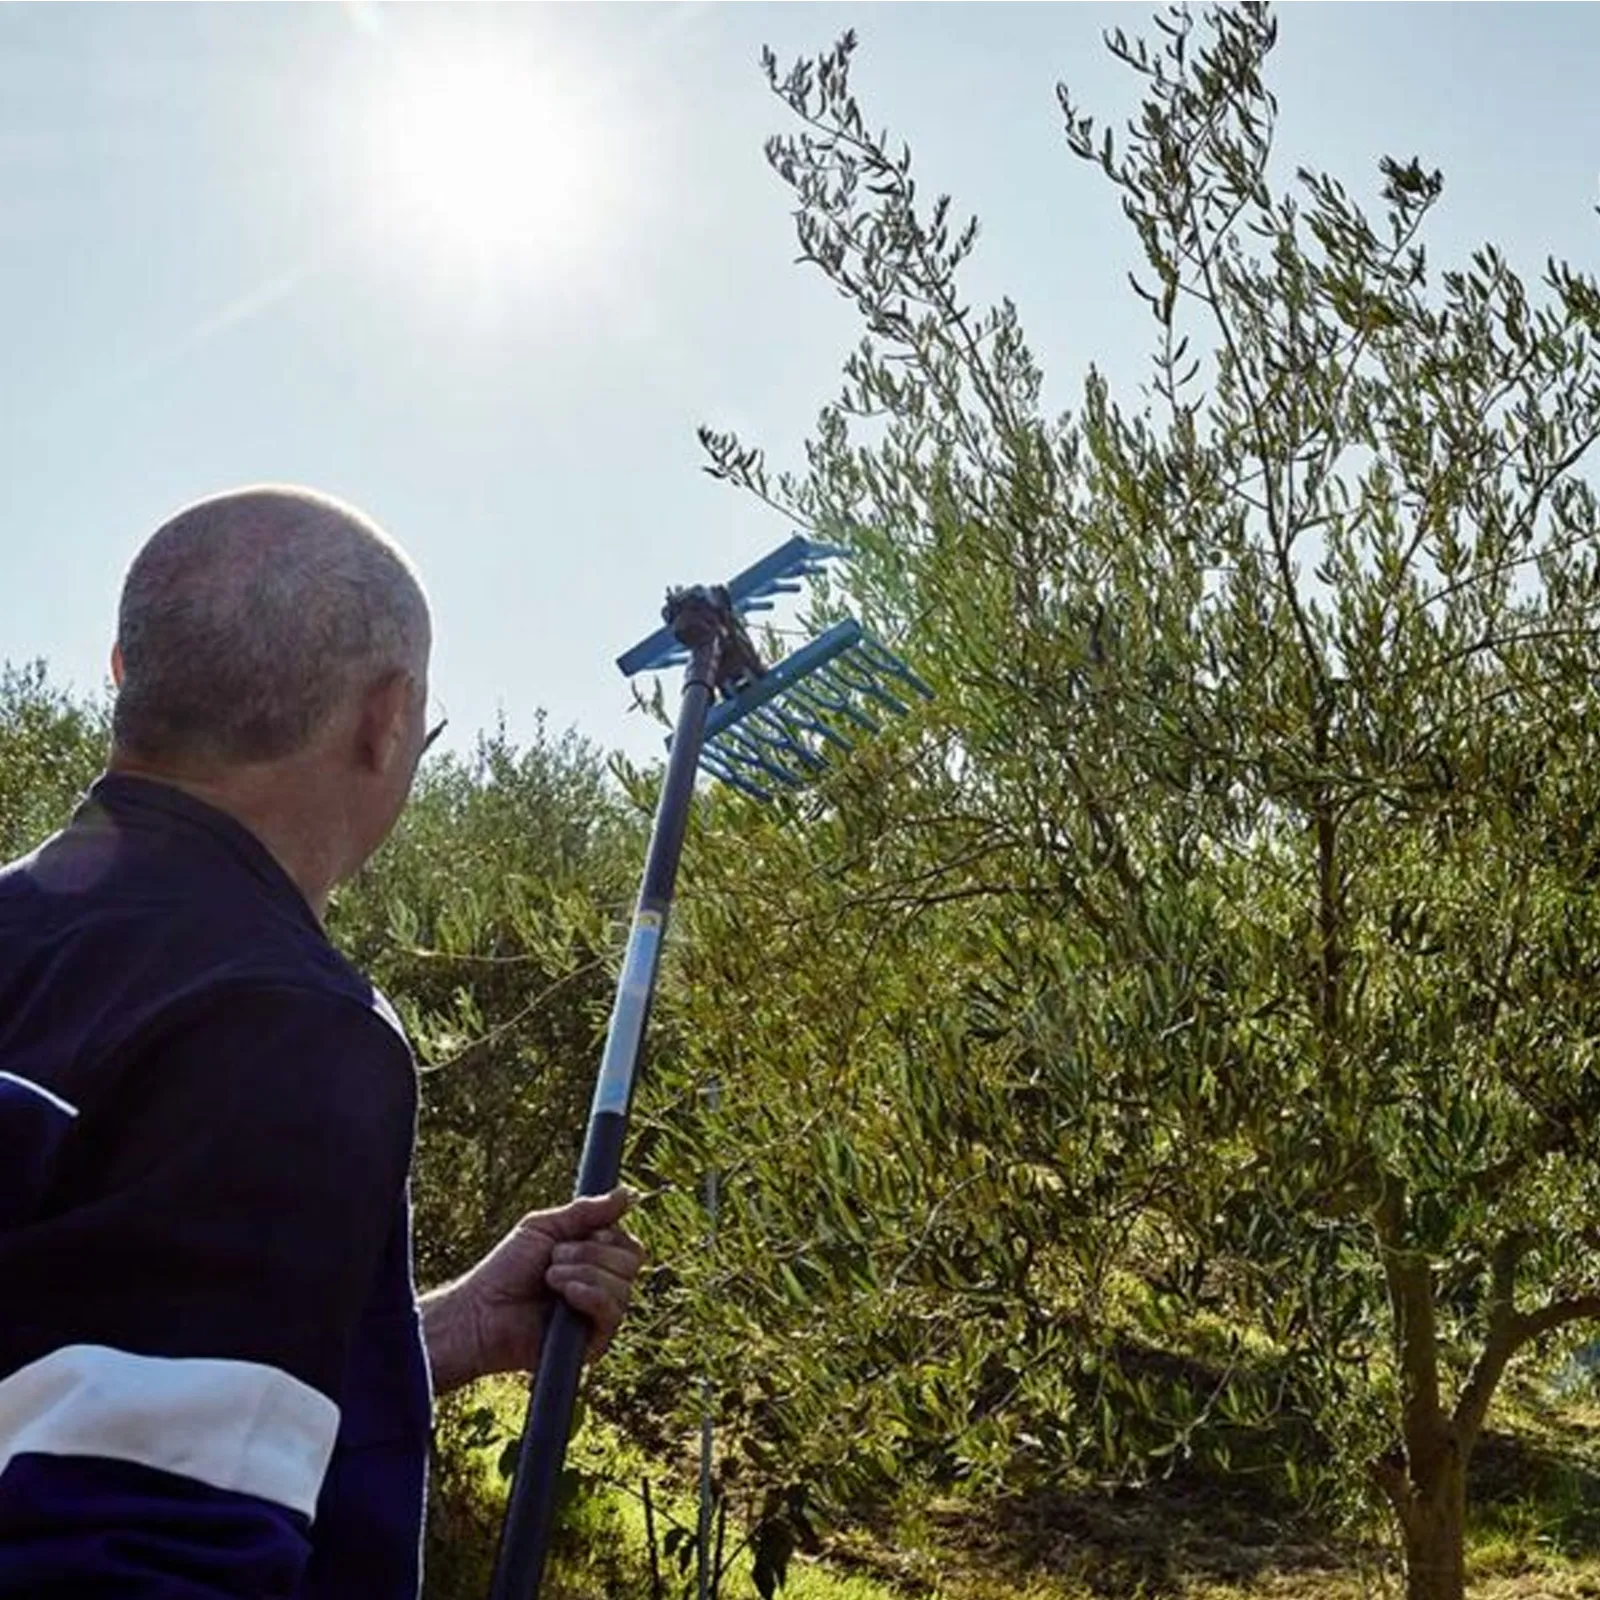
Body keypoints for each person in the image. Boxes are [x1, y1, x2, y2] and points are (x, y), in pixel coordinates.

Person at [0, 486, 645, 1598]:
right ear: (387, 718)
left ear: (121, 671)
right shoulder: (285, 1022)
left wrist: (434, 1336)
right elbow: (142, 1546)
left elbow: (66, 1376)